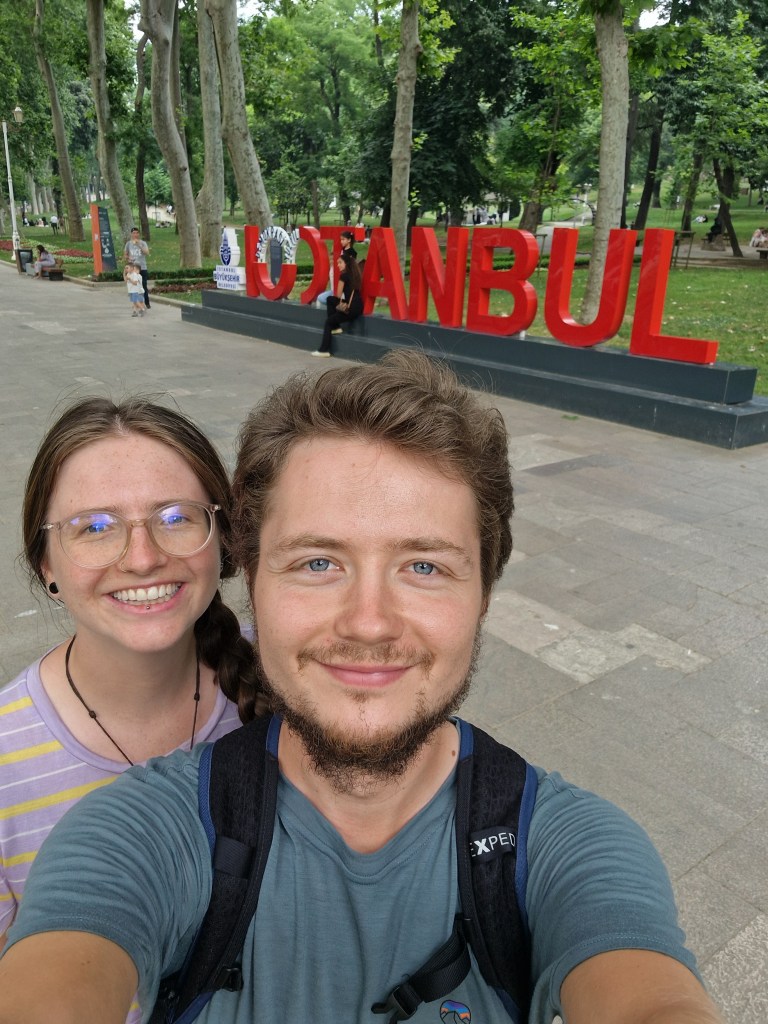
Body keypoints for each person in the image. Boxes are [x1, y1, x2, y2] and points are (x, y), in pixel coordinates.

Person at [0, 354, 723, 1024]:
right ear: (253, 585)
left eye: (424, 567)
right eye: (318, 563)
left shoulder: (570, 846)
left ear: (484, 593)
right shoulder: (132, 829)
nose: (369, 622)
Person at [0, 397, 260, 1020]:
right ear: (46, 563)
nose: (142, 557)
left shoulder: (293, 679)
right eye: (94, 527)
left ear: (220, 538)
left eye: (176, 517)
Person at [312, 251, 364, 357]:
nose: (338, 265)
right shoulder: (355, 274)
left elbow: (339, 295)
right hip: (358, 306)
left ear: (346, 264)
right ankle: (336, 327)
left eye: (340, 262)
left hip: (350, 309)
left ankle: (324, 350)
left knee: (328, 322)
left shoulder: (343, 276)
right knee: (330, 299)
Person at [315, 228, 357, 307]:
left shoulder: (352, 253)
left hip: (345, 285)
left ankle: (337, 305)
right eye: (340, 240)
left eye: (343, 239)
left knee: (328, 299)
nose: (341, 241)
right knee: (321, 298)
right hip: (336, 284)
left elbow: (351, 266)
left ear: (349, 240)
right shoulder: (341, 249)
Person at [124, 227, 151, 309]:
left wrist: (139, 245)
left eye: (137, 233)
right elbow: (125, 255)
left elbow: (147, 252)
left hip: (142, 267)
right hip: (133, 269)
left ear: (139, 234)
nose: (135, 234)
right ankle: (137, 303)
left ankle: (146, 302)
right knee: (134, 287)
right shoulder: (128, 244)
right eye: (133, 233)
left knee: (143, 285)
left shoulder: (143, 243)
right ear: (131, 234)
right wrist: (128, 258)